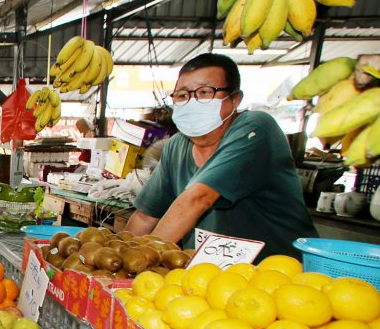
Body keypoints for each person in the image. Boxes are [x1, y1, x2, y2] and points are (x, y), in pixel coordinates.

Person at [127, 53, 317, 258]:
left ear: (235, 99)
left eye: (205, 92)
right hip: (211, 279)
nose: (192, 103)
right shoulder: (176, 146)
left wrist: (142, 258)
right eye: (182, 96)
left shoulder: (255, 129)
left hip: (277, 277)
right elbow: (145, 217)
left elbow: (198, 198)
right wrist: (116, 259)